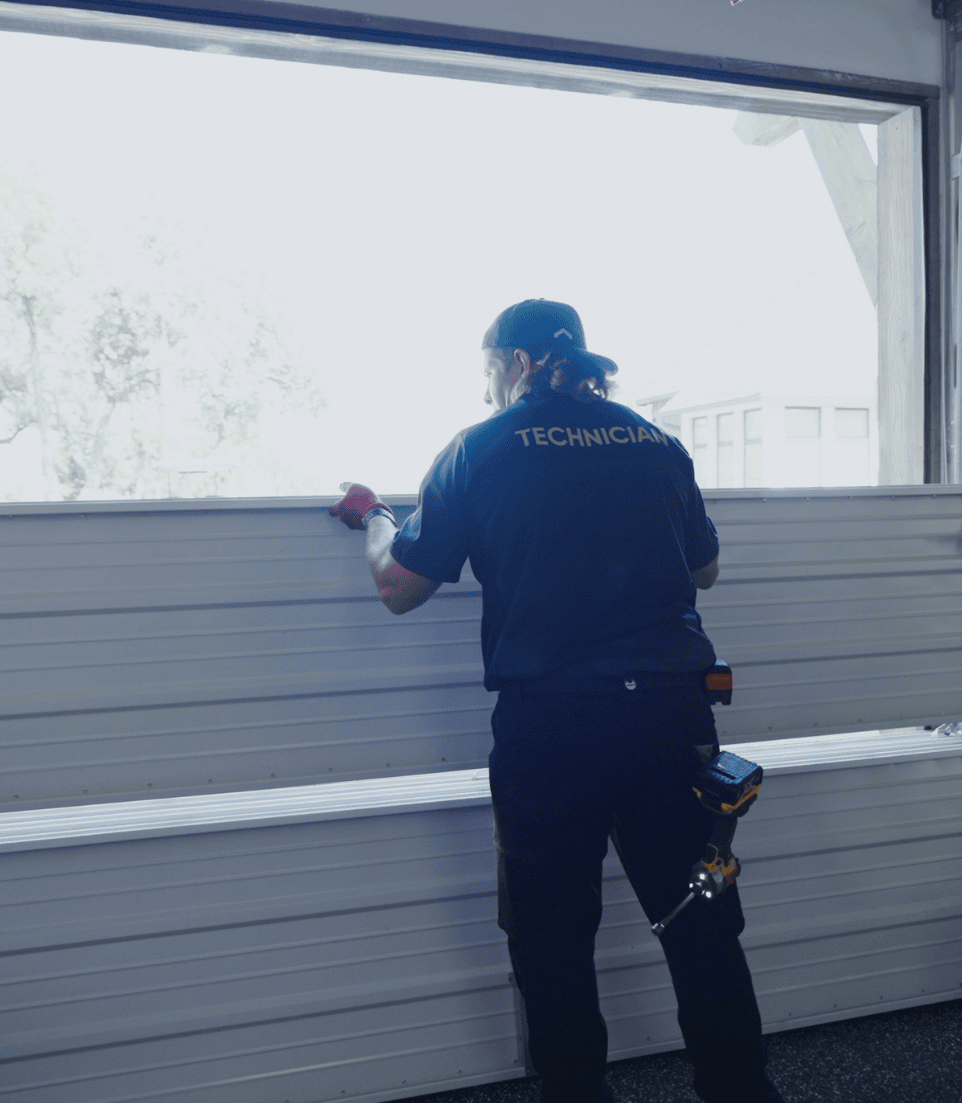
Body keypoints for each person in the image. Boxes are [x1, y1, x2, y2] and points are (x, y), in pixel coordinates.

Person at [329, 299, 781, 1103]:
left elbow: (399, 585)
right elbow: (705, 569)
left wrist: (376, 517)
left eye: (487, 374)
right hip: (673, 720)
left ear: (518, 365)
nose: (485, 392)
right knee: (701, 924)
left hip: (553, 729)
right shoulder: (657, 443)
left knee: (553, 942)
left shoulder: (480, 449)